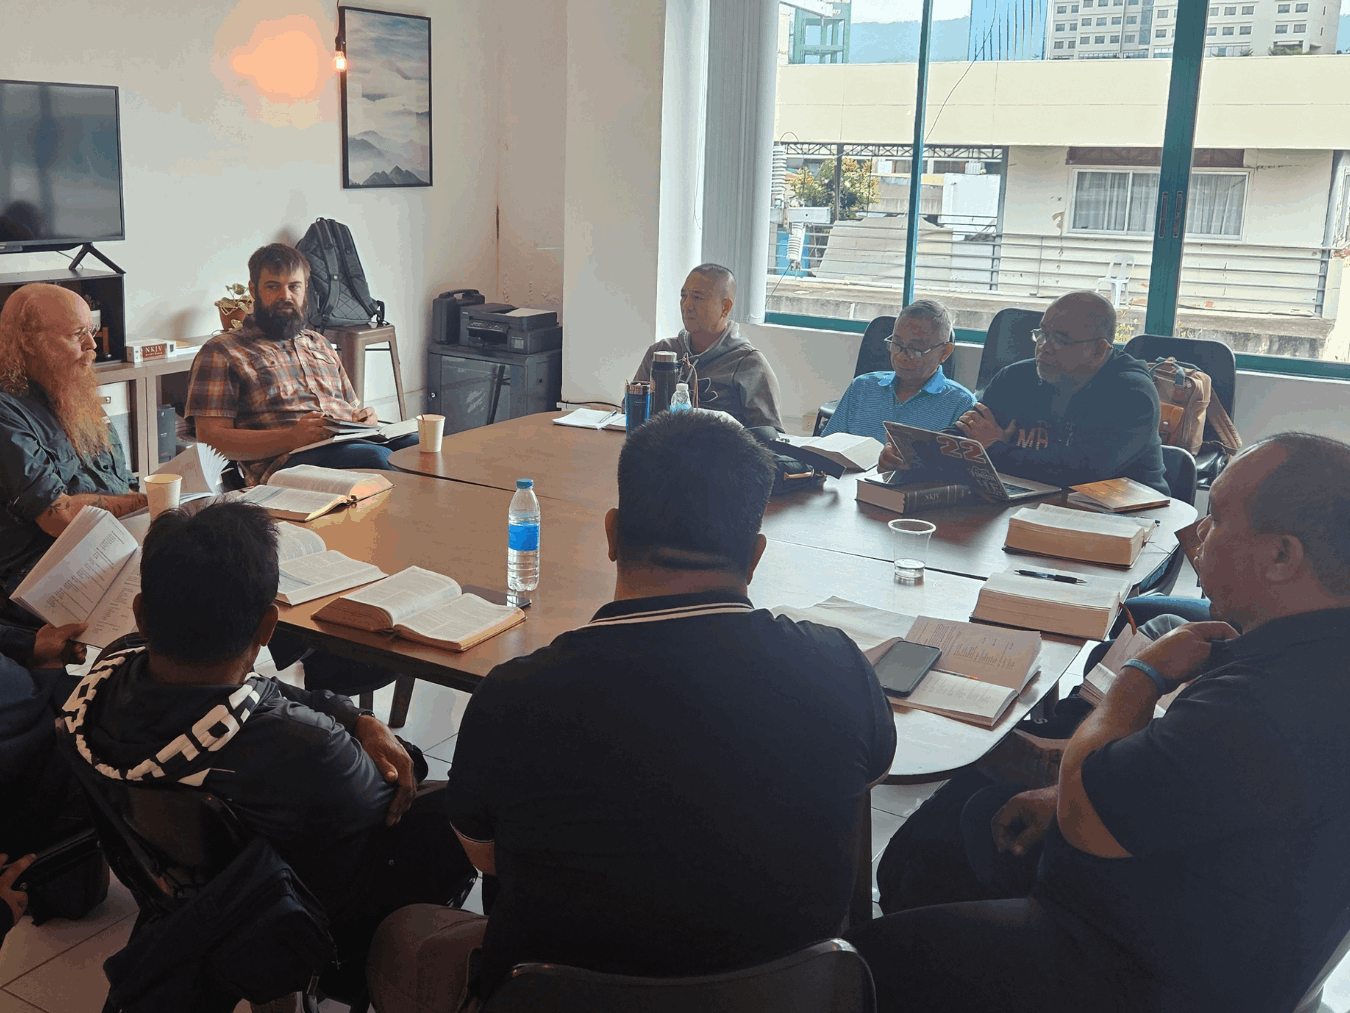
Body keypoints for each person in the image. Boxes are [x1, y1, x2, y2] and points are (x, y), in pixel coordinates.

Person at [367, 411, 896, 1012]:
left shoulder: (516, 695)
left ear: (612, 534)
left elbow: (484, 856)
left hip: (560, 999)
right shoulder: (837, 666)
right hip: (785, 996)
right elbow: (867, 778)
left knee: (404, 935)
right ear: (754, 555)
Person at [849, 432, 1350, 1013]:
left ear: (1282, 556)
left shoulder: (1261, 705)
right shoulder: (1312, 656)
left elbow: (1086, 814)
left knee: (864, 961)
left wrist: (1142, 674)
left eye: (1216, 518)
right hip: (1240, 930)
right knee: (960, 821)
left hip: (1139, 968)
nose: (1197, 537)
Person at [60, 502, 475, 988]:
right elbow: (391, 794)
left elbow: (258, 691)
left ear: (140, 615)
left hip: (175, 887)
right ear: (268, 626)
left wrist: (352, 716)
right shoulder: (306, 748)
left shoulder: (104, 678)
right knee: (452, 808)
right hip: (306, 921)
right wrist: (388, 746)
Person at [186, 243, 418, 486]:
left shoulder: (319, 343)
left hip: (350, 443)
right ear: (253, 290)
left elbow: (350, 410)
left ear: (305, 288)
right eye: (273, 286)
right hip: (285, 463)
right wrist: (290, 438)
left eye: (294, 286)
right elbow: (211, 441)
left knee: (417, 446)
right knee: (375, 458)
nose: (285, 296)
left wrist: (364, 419)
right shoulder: (223, 351)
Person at [0, 284, 146, 627]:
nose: (92, 345)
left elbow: (122, 484)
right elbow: (60, 517)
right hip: (47, 576)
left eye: (92, 331)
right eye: (78, 334)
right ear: (28, 341)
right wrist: (152, 501)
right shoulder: (7, 411)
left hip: (112, 549)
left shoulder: (73, 391)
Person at [941, 291, 1167, 493]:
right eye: (1042, 334)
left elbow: (1078, 475)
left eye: (1060, 340)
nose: (1044, 346)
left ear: (1099, 349)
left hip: (1129, 516)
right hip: (1036, 505)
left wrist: (993, 447)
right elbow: (967, 432)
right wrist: (926, 448)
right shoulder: (1015, 377)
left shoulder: (1131, 394)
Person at [633, 264, 785, 430]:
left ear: (725, 307)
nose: (686, 305)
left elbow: (770, 436)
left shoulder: (749, 364)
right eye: (683, 296)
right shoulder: (662, 352)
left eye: (697, 298)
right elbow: (631, 411)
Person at [826, 299, 974, 456]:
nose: (902, 356)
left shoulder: (961, 405)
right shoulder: (862, 387)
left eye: (915, 349)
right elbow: (826, 447)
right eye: (896, 343)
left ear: (944, 352)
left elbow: (958, 468)